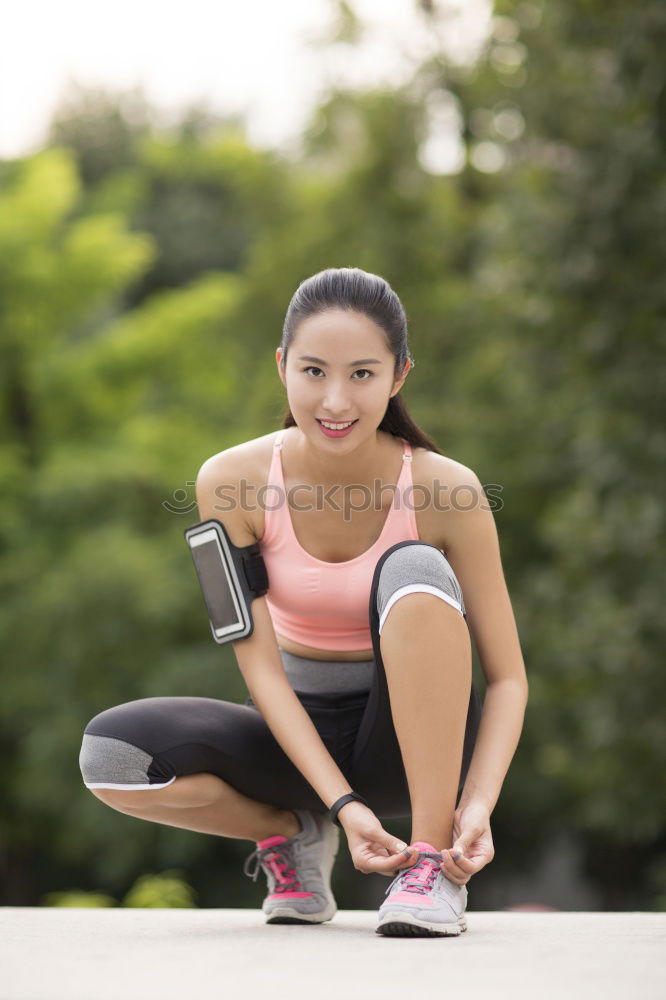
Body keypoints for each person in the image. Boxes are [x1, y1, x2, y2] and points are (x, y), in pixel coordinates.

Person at [79, 267, 528, 937]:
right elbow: (257, 666)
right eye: (314, 372)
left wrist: (477, 804)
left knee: (414, 566)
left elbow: (509, 678)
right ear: (283, 366)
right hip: (296, 741)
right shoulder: (228, 482)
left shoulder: (449, 491)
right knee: (112, 757)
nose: (336, 401)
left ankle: (428, 866)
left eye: (362, 375)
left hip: (411, 754)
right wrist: (339, 807)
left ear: (399, 375)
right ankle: (289, 835)